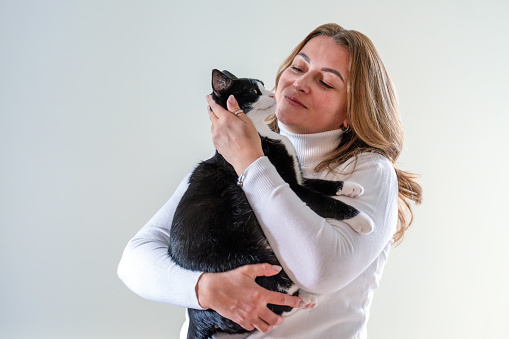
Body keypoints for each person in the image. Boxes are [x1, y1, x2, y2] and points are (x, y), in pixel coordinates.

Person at [118, 23, 422, 338]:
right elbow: (135, 258)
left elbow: (319, 270)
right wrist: (204, 289)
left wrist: (251, 162)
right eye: (298, 67)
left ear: (352, 110)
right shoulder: (235, 154)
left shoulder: (369, 170)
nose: (301, 83)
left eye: (326, 82)